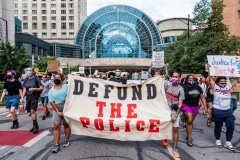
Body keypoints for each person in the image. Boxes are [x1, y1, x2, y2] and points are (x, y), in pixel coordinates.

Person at [208, 69, 238, 151]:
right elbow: (210, 78)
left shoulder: (228, 87)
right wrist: (209, 69)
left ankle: (228, 142)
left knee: (231, 126)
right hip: (217, 110)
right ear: (217, 82)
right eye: (221, 81)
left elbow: (236, 79)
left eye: (224, 81)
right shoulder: (215, 87)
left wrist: (237, 70)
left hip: (228, 110)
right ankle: (218, 139)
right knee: (218, 126)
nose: (223, 83)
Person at [162, 69, 185, 158]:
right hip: (165, 110)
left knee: (175, 128)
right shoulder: (167, 84)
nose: (174, 78)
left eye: (176, 77)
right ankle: (165, 137)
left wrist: (175, 115)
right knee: (165, 125)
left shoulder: (181, 89)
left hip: (174, 111)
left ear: (179, 78)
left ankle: (175, 148)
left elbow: (180, 104)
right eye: (173, 76)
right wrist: (165, 67)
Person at [182, 74, 207, 147]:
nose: (191, 80)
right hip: (186, 105)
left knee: (190, 121)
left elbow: (202, 97)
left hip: (195, 106)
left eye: (192, 79)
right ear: (186, 80)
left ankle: (188, 134)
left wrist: (205, 106)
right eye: (189, 79)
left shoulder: (198, 87)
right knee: (189, 120)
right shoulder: (183, 87)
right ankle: (189, 138)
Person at [48, 73, 71, 153]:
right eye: (55, 78)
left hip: (67, 108)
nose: (56, 79)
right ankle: (57, 145)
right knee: (56, 126)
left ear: (62, 79)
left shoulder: (66, 87)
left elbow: (72, 95)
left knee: (66, 124)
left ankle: (67, 140)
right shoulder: (51, 91)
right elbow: (52, 102)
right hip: (56, 108)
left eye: (58, 78)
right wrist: (57, 111)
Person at [23, 67, 43, 134]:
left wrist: (34, 89)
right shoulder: (26, 80)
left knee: (32, 110)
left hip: (34, 96)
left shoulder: (36, 79)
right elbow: (24, 89)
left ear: (33, 72)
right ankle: (36, 125)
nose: (28, 71)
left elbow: (41, 88)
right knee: (30, 112)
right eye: (27, 70)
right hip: (28, 97)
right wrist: (22, 97)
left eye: (30, 70)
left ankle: (35, 127)